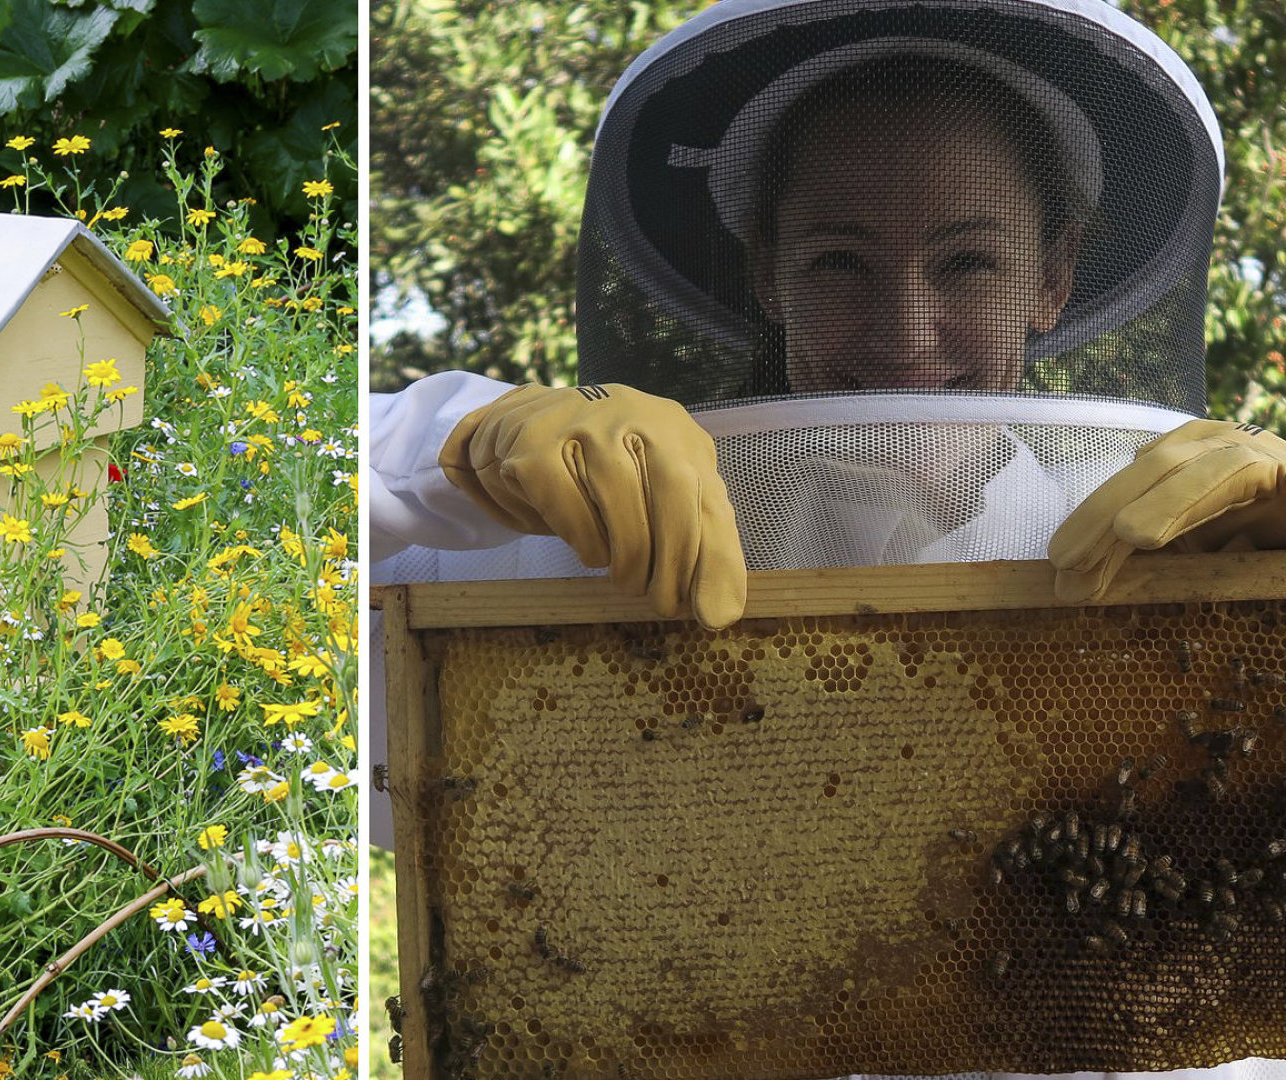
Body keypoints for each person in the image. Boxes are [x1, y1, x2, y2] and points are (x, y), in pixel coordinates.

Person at [371, 0, 1286, 1074]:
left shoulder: (1179, 569)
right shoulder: (593, 553)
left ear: (1053, 278)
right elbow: (283, 534)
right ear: (769, 274)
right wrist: (450, 447)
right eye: (841, 261)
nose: (903, 327)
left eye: (968, 264)